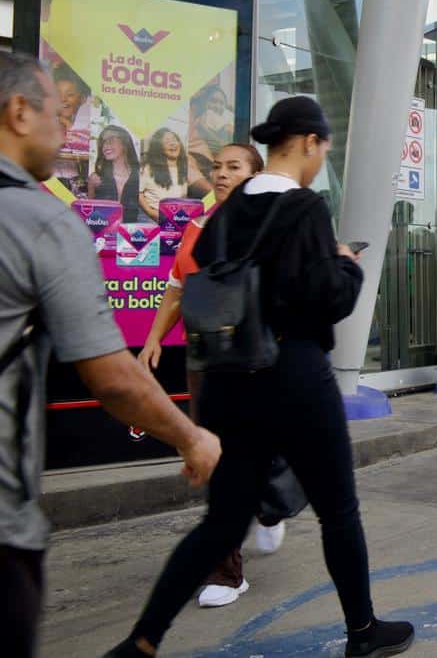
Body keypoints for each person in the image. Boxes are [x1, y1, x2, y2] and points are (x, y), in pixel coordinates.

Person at [106, 96, 414, 658]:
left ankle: (142, 641)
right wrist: (345, 261)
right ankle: (363, 632)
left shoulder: (225, 210)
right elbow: (327, 301)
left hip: (225, 377)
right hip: (293, 372)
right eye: (322, 148)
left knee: (223, 523)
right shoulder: (305, 207)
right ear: (308, 144)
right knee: (338, 507)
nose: (321, 158)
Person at [0, 52, 221, 658]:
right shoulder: (40, 221)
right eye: (54, 112)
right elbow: (112, 378)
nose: (63, 129)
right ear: (19, 112)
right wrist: (191, 438)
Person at [137, 143, 294, 608]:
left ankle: (270, 503)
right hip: (206, 360)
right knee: (214, 457)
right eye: (217, 167)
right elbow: (176, 291)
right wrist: (151, 340)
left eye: (234, 167)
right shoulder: (197, 229)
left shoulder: (272, 225)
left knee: (262, 446)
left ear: (255, 175)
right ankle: (227, 574)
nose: (222, 174)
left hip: (262, 357)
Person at [88, 125, 143, 223]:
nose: (105, 146)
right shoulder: (95, 178)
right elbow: (88, 215)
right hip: (103, 236)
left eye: (110, 141)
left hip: (133, 235)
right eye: (102, 143)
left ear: (125, 144)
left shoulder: (141, 177)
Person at [138, 128, 191, 222]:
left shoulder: (187, 168)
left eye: (174, 139)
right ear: (159, 147)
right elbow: (138, 192)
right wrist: (150, 211)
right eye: (167, 141)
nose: (173, 143)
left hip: (178, 218)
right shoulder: (147, 169)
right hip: (153, 217)